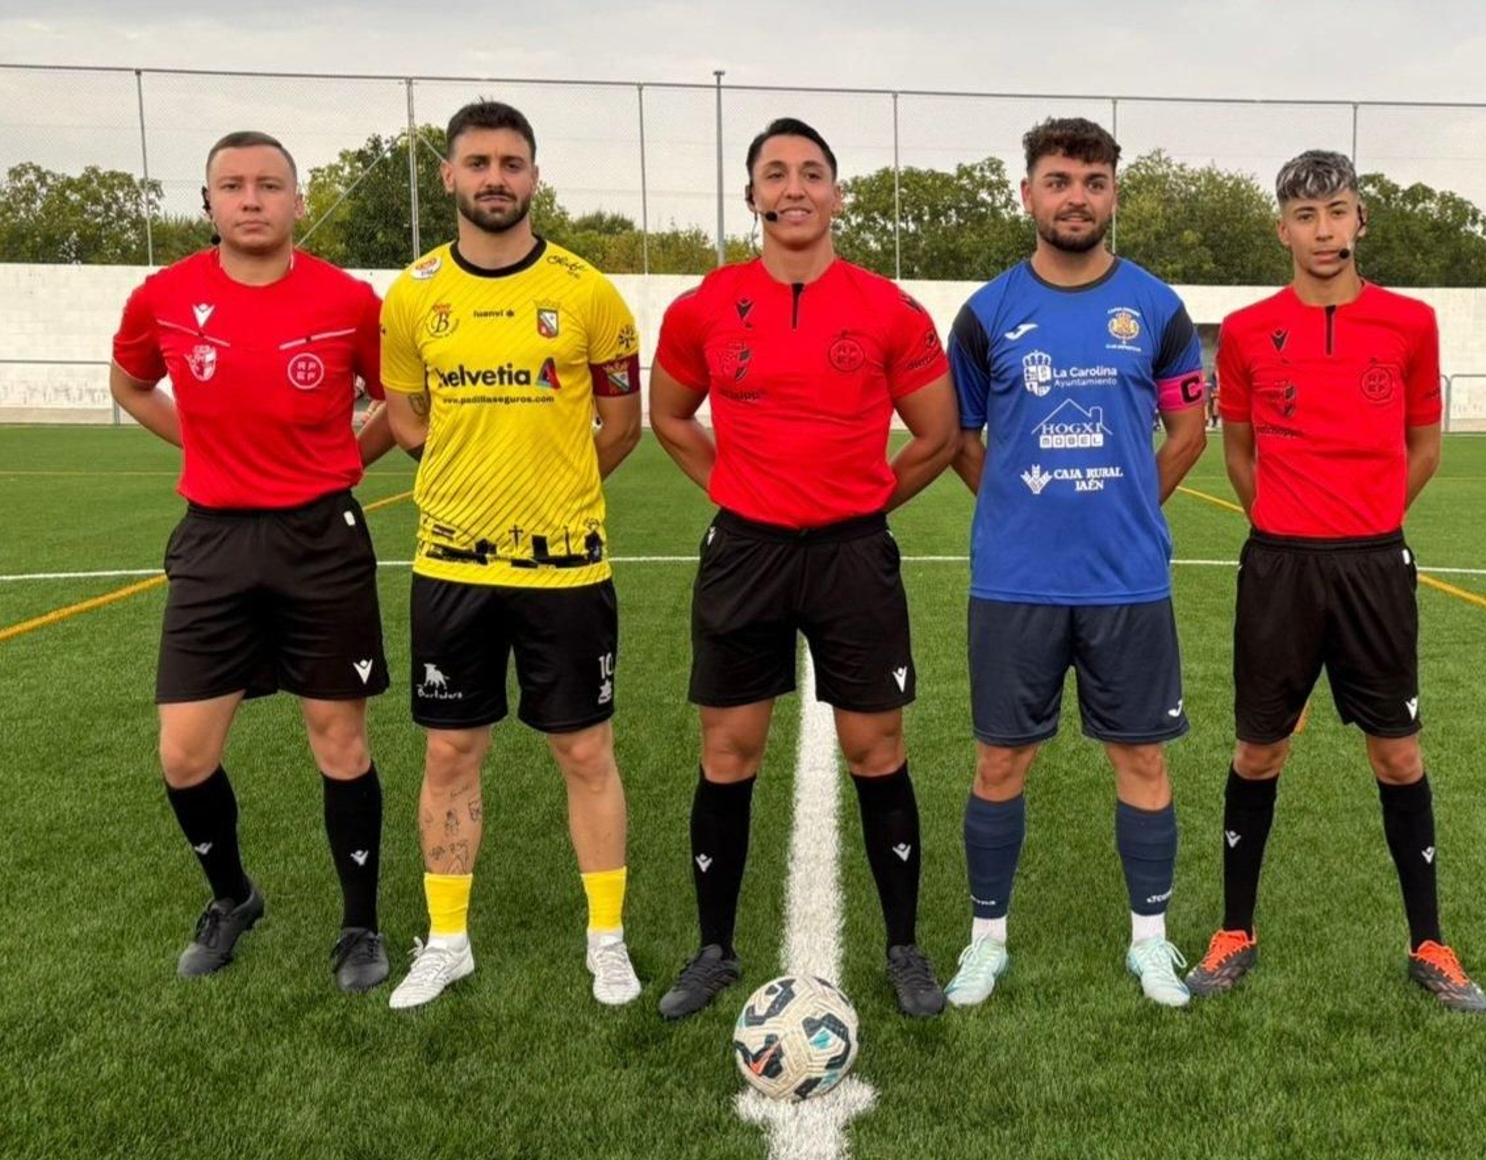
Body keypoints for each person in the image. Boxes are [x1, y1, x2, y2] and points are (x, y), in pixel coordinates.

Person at [649, 117, 959, 1020]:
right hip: (746, 553)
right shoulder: (704, 307)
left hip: (852, 556)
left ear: (837, 195)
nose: (795, 188)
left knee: (877, 749)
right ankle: (713, 949)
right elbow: (670, 415)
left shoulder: (888, 309)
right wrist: (735, 489)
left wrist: (865, 503)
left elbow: (937, 436)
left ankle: (904, 948)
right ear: (751, 195)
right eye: (776, 174)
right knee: (728, 750)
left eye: (812, 173)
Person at [1186, 149, 1486, 1012]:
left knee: (1397, 752)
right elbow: (1239, 453)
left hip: (1373, 566)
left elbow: (1424, 446)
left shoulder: (1410, 323)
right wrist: (1288, 523)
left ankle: (1429, 943)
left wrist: (1366, 519)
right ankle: (1235, 930)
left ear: (1360, 220)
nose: (1324, 232)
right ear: (1283, 229)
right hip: (1279, 567)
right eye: (1306, 217)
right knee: (1259, 748)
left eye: (1338, 212)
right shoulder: (1247, 331)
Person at [109, 130, 394, 991]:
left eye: (270, 184)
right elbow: (130, 384)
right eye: (232, 185)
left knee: (339, 739)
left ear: (298, 202)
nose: (251, 199)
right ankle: (233, 897)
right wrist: (199, 444)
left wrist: (344, 460)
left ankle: (360, 925)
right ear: (208, 203)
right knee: (184, 755)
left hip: (321, 540)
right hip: (214, 541)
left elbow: (399, 403)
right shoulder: (163, 296)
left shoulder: (351, 301)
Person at [380, 100, 644, 1011]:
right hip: (452, 566)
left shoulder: (588, 293)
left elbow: (621, 424)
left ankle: (607, 940)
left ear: (534, 176)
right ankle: (447, 941)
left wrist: (553, 486)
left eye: (512, 163)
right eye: (479, 163)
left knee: (585, 749)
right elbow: (404, 416)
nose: (495, 178)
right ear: (449, 175)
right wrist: (468, 475)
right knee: (450, 750)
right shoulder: (413, 294)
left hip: (565, 567)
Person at [942, 117, 1208, 1009]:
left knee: (1143, 760)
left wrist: (1126, 506)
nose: (1076, 198)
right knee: (999, 764)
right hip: (1015, 581)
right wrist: (1021, 505)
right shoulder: (986, 314)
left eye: (1094, 182)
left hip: (1127, 582)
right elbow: (960, 438)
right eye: (1058, 181)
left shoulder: (1157, 309)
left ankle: (1150, 942)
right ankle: (986, 941)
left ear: (1113, 194)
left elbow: (1188, 431)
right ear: (1028, 193)